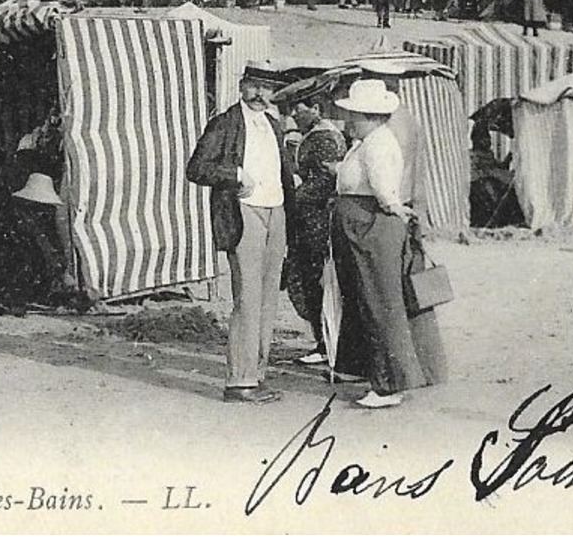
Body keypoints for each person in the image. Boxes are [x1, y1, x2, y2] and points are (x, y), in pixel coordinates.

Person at [185, 62, 299, 404]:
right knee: (247, 298)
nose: (260, 94)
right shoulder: (225, 123)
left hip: (275, 211)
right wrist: (235, 173)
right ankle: (239, 381)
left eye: (267, 87)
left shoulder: (274, 125)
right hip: (244, 213)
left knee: (267, 300)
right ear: (242, 85)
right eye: (254, 85)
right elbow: (197, 168)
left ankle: (257, 375)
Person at [329, 79, 446, 408]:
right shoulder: (368, 141)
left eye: (354, 115)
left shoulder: (378, 143)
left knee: (379, 302)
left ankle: (389, 385)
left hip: (371, 225)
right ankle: (379, 375)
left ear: (370, 115)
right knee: (370, 299)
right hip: (362, 223)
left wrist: (393, 207)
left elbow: (383, 189)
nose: (349, 120)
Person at [284, 95, 347, 368]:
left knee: (316, 280)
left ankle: (327, 344)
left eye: (299, 111)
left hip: (316, 220)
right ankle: (324, 342)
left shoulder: (324, 139)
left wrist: (292, 197)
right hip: (309, 218)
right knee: (311, 280)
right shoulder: (314, 135)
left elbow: (323, 181)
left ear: (316, 109)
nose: (294, 117)